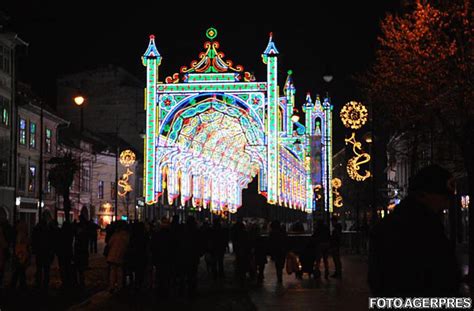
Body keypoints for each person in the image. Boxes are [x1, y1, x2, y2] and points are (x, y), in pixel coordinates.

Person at [368, 164, 461, 297]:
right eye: (443, 197)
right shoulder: (424, 227)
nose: (446, 203)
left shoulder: (397, 224)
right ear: (425, 194)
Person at [106, 221, 130, 293]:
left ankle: (112, 286)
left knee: (113, 271)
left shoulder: (115, 235)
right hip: (121, 255)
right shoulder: (127, 236)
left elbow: (109, 243)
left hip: (112, 255)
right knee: (120, 271)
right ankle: (119, 286)